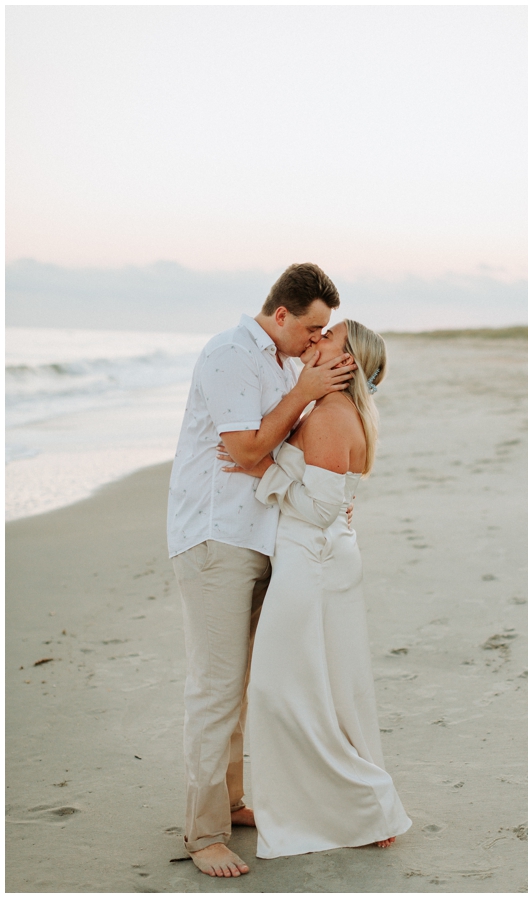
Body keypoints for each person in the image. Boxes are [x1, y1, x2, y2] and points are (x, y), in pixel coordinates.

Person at [167, 263, 356, 877]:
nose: (314, 341)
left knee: (245, 686)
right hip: (215, 537)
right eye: (311, 328)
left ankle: (233, 798)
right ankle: (203, 834)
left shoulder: (282, 363)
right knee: (215, 689)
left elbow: (282, 451)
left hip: (261, 539)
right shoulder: (229, 354)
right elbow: (247, 448)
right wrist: (303, 393)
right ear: (281, 315)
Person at [220, 319, 412, 858]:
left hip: (315, 565)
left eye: (328, 337)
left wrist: (262, 470)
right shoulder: (328, 410)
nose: (316, 340)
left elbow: (322, 509)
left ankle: (362, 803)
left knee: (284, 692)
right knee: (325, 689)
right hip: (319, 562)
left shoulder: (329, 415)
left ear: (346, 361)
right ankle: (363, 808)